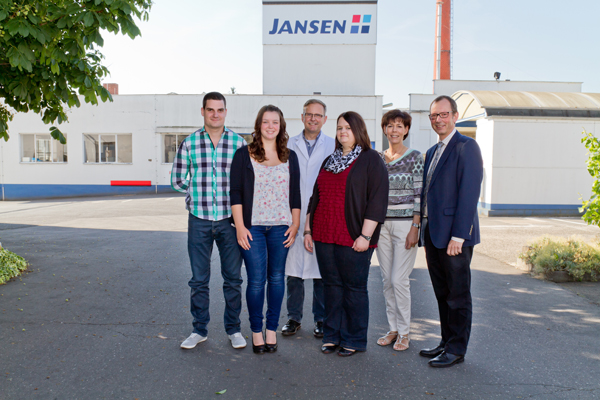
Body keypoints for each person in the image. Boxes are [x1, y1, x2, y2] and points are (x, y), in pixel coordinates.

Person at [304, 111, 388, 357]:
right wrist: (308, 229)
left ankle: (353, 338)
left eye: (348, 128)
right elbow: (315, 197)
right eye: (339, 128)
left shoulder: (371, 159)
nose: (342, 132)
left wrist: (366, 236)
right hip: (324, 234)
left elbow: (377, 200)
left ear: (358, 130)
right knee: (331, 286)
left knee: (354, 288)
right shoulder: (329, 160)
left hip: (354, 235)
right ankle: (332, 335)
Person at [171, 92, 247, 350]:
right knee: (199, 280)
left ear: (226, 112)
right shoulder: (190, 143)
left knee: (233, 279)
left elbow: (248, 181)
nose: (216, 114)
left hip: (230, 220)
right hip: (199, 219)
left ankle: (234, 330)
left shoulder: (238, 143)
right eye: (211, 109)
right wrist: (198, 190)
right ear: (202, 111)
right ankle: (199, 329)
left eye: (220, 110)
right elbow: (177, 179)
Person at [230, 104, 301, 354]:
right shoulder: (243, 154)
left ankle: (272, 328)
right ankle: (256, 331)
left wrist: (295, 224)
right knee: (257, 281)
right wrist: (240, 226)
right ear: (258, 125)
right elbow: (236, 192)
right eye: (266, 122)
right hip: (253, 229)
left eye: (275, 122)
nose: (270, 126)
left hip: (281, 227)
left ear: (280, 126)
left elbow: (295, 195)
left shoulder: (289, 156)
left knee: (277, 278)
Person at [418, 95, 483, 368]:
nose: (438, 120)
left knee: (458, 295)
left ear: (455, 116)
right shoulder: (432, 152)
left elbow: (469, 194)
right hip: (434, 233)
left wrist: (459, 235)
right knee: (442, 293)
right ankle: (446, 341)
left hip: (455, 237)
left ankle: (456, 349)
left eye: (443, 114)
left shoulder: (466, 147)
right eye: (434, 116)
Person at [282, 99, 335, 338]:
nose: (313, 118)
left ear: (325, 119)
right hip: (291, 212)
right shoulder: (288, 144)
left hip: (322, 214)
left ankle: (321, 319)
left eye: (318, 115)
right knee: (293, 271)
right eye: (309, 114)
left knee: (321, 271)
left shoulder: (333, 145)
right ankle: (294, 318)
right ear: (302, 117)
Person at [375, 110, 423, 351]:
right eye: (390, 125)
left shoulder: (415, 157)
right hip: (381, 225)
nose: (394, 130)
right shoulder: (378, 158)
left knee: (398, 279)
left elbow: (419, 194)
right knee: (386, 280)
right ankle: (393, 329)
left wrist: (416, 226)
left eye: (399, 126)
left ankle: (405, 333)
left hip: (405, 225)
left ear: (406, 130)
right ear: (384, 129)